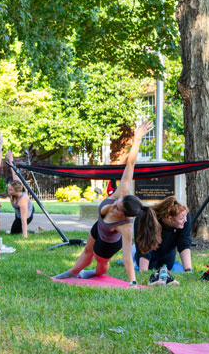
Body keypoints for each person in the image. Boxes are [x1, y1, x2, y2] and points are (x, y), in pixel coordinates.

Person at [53, 121, 155, 285]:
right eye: (117, 203)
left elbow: (127, 256)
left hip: (109, 242)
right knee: (87, 252)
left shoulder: (126, 226)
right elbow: (130, 164)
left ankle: (92, 273)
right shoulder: (121, 192)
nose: (114, 206)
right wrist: (136, 139)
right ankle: (72, 273)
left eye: (118, 209)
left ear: (124, 216)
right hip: (98, 226)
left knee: (101, 264)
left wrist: (133, 282)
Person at [134, 196, 193, 273]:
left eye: (185, 218)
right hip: (148, 251)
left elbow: (184, 242)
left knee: (168, 266)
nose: (185, 220)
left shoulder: (184, 216)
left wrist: (188, 270)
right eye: (181, 219)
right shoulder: (147, 217)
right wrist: (143, 272)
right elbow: (145, 247)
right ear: (170, 218)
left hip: (167, 254)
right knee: (151, 266)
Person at [5, 150, 34, 238]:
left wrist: (25, 238)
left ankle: (27, 232)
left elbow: (24, 221)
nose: (8, 191)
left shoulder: (22, 200)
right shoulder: (16, 183)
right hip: (18, 213)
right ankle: (22, 230)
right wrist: (10, 159)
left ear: (17, 190)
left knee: (14, 232)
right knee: (15, 228)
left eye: (10, 190)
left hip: (27, 215)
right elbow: (14, 171)